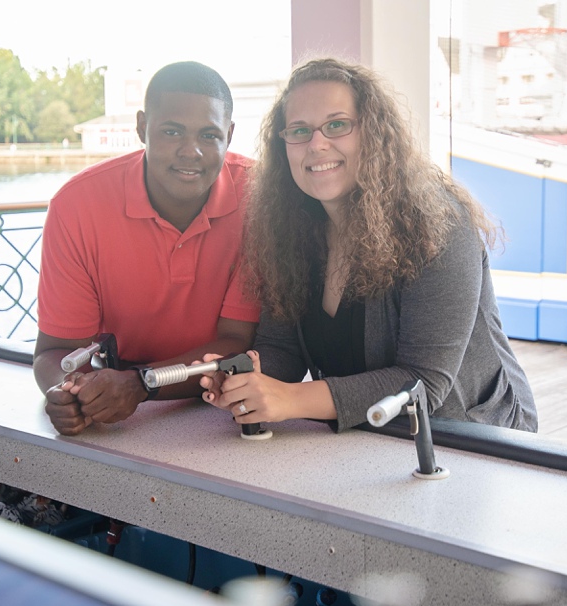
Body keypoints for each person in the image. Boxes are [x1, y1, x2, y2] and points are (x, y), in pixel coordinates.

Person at [201, 58, 536, 433]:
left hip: (471, 439)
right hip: (365, 439)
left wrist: (291, 399)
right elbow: (283, 350)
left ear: (374, 133)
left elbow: (424, 381)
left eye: (337, 125)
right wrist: (246, 378)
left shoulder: (438, 223)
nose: (317, 144)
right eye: (299, 130)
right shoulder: (288, 230)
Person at [35, 61, 258, 435]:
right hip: (128, 414)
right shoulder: (76, 206)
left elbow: (238, 344)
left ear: (230, 135)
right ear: (141, 127)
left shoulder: (259, 198)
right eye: (172, 132)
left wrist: (141, 383)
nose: (192, 152)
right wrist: (71, 392)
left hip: (225, 408)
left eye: (209, 135)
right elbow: (55, 351)